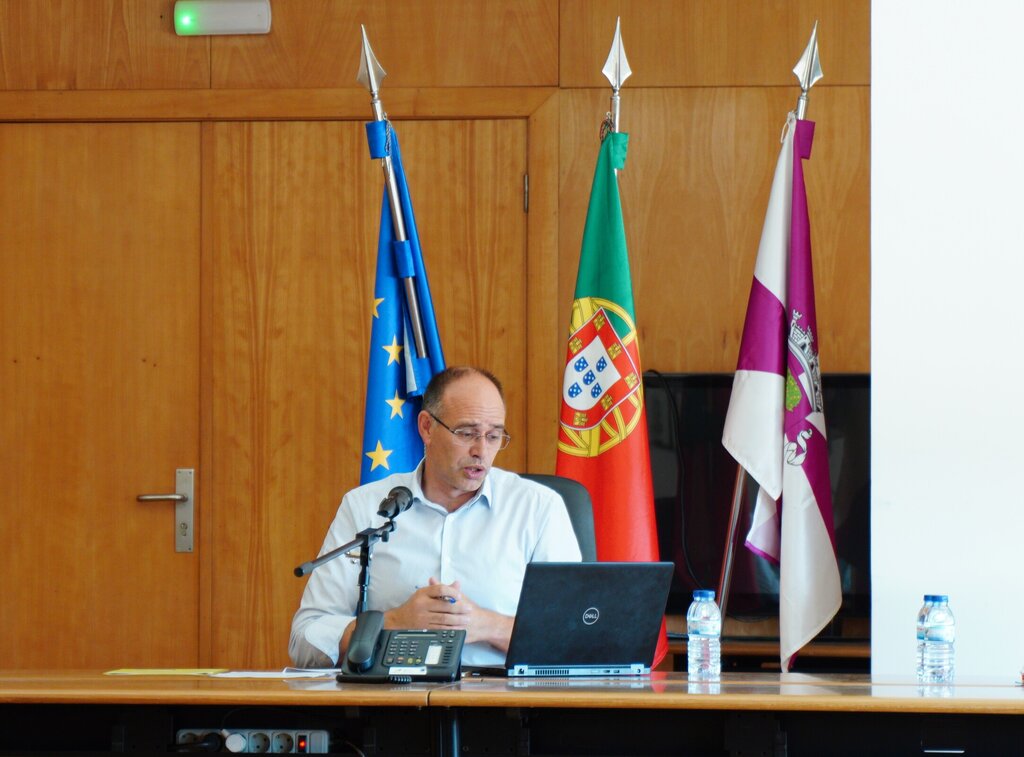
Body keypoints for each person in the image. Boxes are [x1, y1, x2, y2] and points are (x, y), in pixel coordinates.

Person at [289, 366, 582, 668]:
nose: (481, 450)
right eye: (466, 433)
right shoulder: (366, 507)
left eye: (494, 435)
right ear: (427, 427)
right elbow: (305, 640)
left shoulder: (537, 508)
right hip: (392, 694)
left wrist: (486, 626)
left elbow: (576, 638)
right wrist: (393, 623)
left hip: (500, 694)